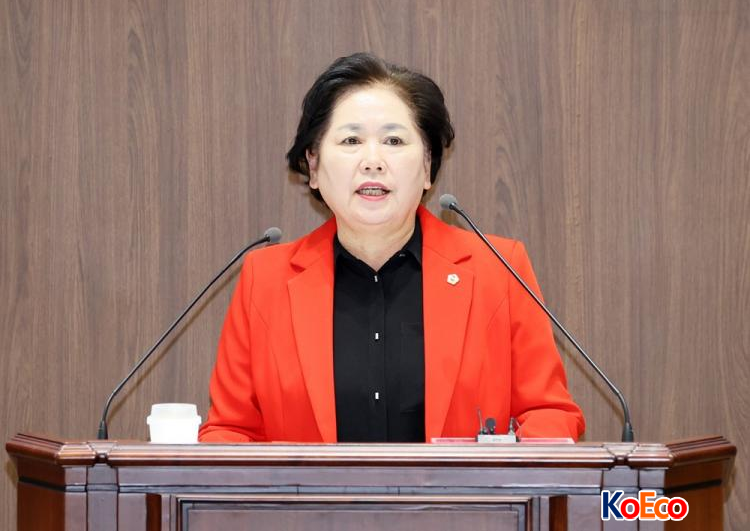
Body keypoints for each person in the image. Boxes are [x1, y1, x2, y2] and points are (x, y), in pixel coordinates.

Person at [199, 53, 585, 443]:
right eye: (351, 140)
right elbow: (230, 431)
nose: (373, 161)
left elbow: (548, 413)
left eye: (394, 141)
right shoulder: (265, 281)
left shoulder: (498, 269)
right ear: (313, 166)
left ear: (427, 166)